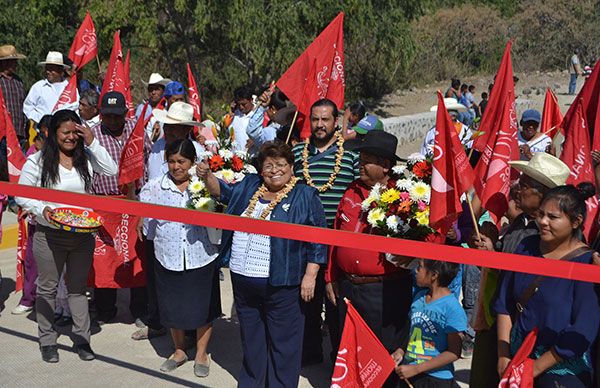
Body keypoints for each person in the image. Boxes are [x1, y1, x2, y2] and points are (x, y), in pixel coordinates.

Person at [196, 141, 327, 387]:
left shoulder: (305, 194)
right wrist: (207, 176)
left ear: (291, 167)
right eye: (269, 165)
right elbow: (222, 192)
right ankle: (252, 382)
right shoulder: (249, 186)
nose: (275, 170)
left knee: (284, 343)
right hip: (244, 278)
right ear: (261, 168)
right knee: (251, 338)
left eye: (281, 165)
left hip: (282, 282)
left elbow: (318, 239)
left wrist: (311, 275)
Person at [15, 109, 118, 362]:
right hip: (49, 235)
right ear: (53, 134)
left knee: (77, 290)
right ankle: (47, 340)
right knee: (47, 289)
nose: (71, 137)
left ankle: (82, 341)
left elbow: (112, 169)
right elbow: (21, 194)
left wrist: (92, 140)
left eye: (75, 132)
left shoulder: (86, 157)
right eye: (66, 133)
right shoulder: (38, 161)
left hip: (82, 235)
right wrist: (43, 209)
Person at [469, 152, 571, 387]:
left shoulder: (552, 237)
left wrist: (494, 256)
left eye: (524, 185)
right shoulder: (519, 223)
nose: (515, 188)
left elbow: (527, 278)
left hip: (526, 330)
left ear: (543, 194)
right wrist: (490, 248)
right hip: (497, 319)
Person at [326, 130, 412, 386]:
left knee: (381, 357)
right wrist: (330, 277)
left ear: (385, 166)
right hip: (348, 287)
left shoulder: (404, 201)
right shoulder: (351, 192)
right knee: (349, 351)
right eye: (360, 158)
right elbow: (335, 237)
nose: (360, 164)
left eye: (367, 160)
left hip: (383, 291)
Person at [495, 184, 600, 387]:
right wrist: (503, 356)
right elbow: (504, 303)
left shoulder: (587, 263)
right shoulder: (525, 247)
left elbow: (584, 328)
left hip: (562, 369)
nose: (543, 222)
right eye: (541, 214)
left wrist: (533, 369)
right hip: (515, 362)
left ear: (576, 222)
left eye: (552, 217)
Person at [139, 139, 220, 377]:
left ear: (192, 162)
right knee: (172, 307)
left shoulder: (202, 184)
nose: (176, 167)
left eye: (182, 161)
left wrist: (209, 180)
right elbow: (148, 226)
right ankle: (179, 350)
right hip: (168, 256)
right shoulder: (154, 187)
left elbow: (219, 202)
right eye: (172, 161)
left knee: (202, 307)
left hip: (200, 256)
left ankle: (202, 354)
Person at [292, 98, 360, 365]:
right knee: (306, 301)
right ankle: (309, 354)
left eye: (325, 119)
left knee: (336, 305)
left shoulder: (351, 157)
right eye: (315, 119)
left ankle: (338, 361)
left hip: (336, 246)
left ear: (336, 122)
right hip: (304, 243)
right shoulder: (297, 154)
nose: (320, 125)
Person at [132, 101, 205, 341]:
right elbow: (148, 180)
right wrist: (143, 213)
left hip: (186, 227)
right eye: (168, 126)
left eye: (176, 128)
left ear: (186, 130)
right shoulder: (156, 148)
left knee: (186, 281)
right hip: (157, 222)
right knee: (156, 277)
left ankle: (190, 329)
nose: (170, 131)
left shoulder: (197, 151)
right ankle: (157, 322)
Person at [90, 91, 152, 326]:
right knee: (105, 258)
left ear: (125, 114)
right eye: (108, 116)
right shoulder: (93, 135)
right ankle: (105, 308)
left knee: (136, 256)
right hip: (104, 204)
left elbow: (147, 162)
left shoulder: (137, 132)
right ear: (101, 114)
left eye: (117, 116)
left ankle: (140, 309)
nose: (113, 121)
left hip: (134, 202)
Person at [393, 259, 467, 388]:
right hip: (410, 373)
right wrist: (401, 350)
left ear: (434, 275)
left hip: (435, 379)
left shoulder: (453, 308)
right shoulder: (419, 297)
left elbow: (454, 352)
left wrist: (417, 369)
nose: (415, 271)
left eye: (420, 268)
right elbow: (414, 332)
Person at [23, 51, 78, 126]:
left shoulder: (70, 89)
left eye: (52, 69)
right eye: (47, 69)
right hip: (42, 130)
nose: (48, 72)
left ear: (61, 71)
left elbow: (76, 107)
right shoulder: (38, 87)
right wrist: (41, 120)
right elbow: (28, 107)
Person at [246, 88, 288, 156]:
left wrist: (262, 108)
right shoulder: (291, 127)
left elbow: (252, 131)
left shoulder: (270, 131)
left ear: (272, 109)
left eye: (267, 109)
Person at [0, 45, 27, 148]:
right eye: (13, 61)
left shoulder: (18, 81)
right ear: (4, 63)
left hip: (18, 132)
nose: (16, 64)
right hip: (2, 133)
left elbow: (23, 105)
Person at [229, 85, 254, 152]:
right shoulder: (235, 115)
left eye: (244, 104)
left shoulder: (257, 116)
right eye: (238, 104)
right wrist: (231, 114)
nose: (241, 107)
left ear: (251, 100)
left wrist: (255, 140)